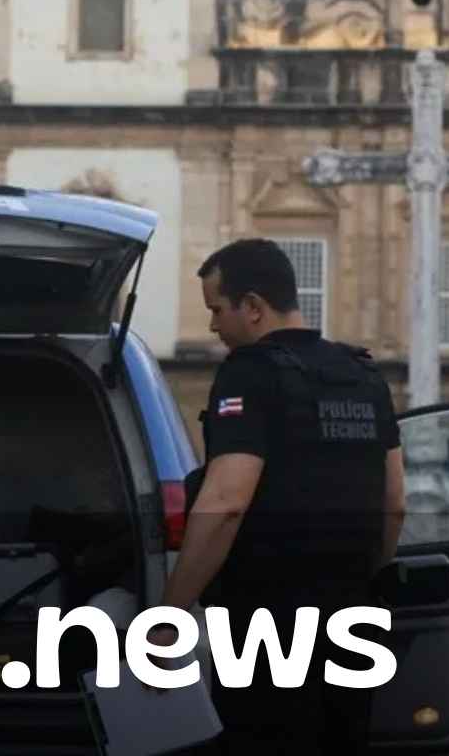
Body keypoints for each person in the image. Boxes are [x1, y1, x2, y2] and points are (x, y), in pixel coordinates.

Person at [157, 239, 406, 755]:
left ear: (252, 307)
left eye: (216, 310)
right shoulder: (364, 375)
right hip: (352, 620)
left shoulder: (250, 372)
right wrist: (363, 578)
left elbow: (227, 499)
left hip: (265, 625)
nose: (212, 327)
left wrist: (172, 614)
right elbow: (395, 502)